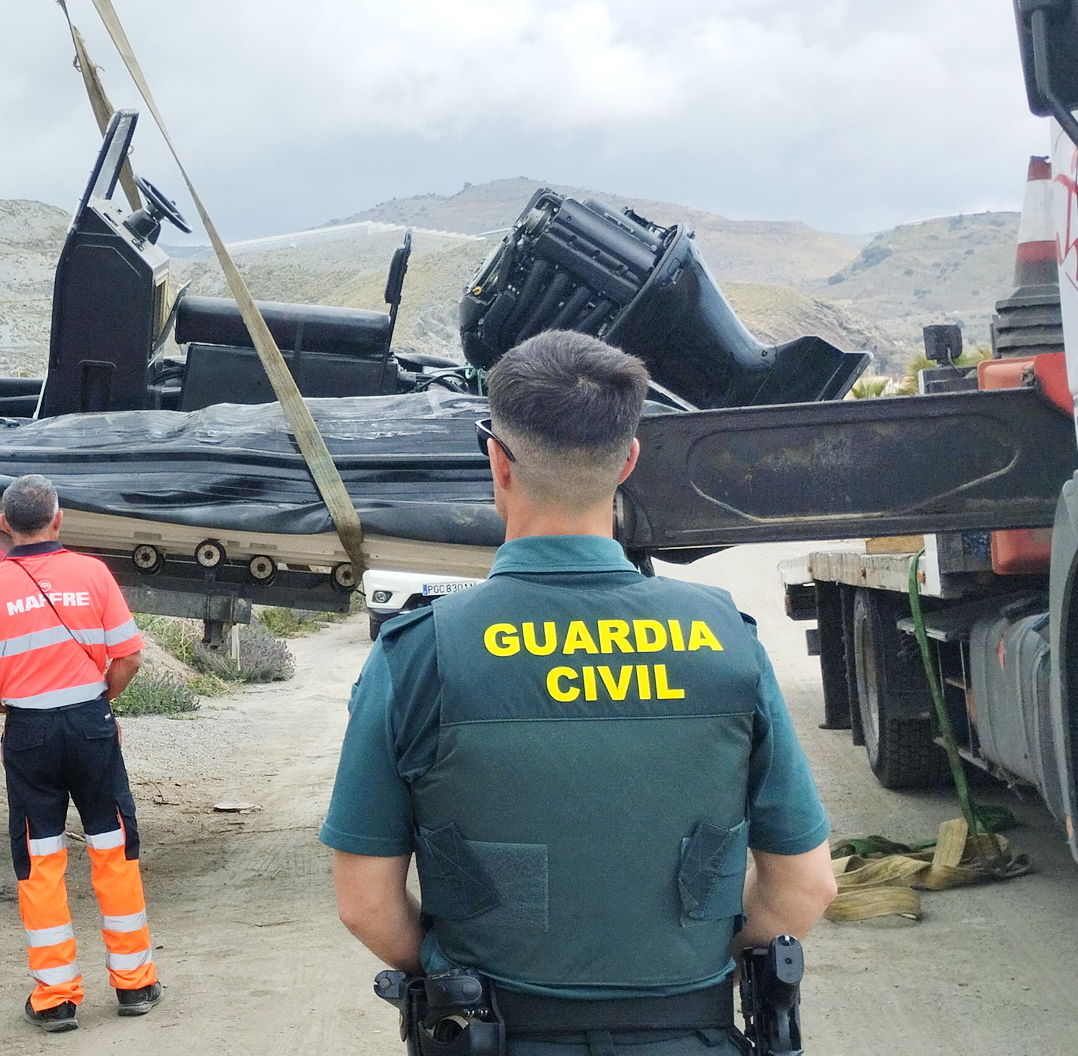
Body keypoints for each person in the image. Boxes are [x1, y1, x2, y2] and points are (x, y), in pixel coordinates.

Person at [320, 330, 839, 1054]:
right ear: (628, 460)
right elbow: (803, 889)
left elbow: (364, 903)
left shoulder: (418, 655)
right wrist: (692, 974)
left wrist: (453, 979)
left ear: (496, 460)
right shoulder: (726, 640)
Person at [0, 474, 163, 1033]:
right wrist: (97, 700)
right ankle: (135, 984)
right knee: (113, 846)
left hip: (28, 733)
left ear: (4, 525)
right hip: (92, 725)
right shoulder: (93, 574)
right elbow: (129, 658)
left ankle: (56, 998)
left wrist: (16, 709)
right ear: (58, 519)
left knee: (40, 858)